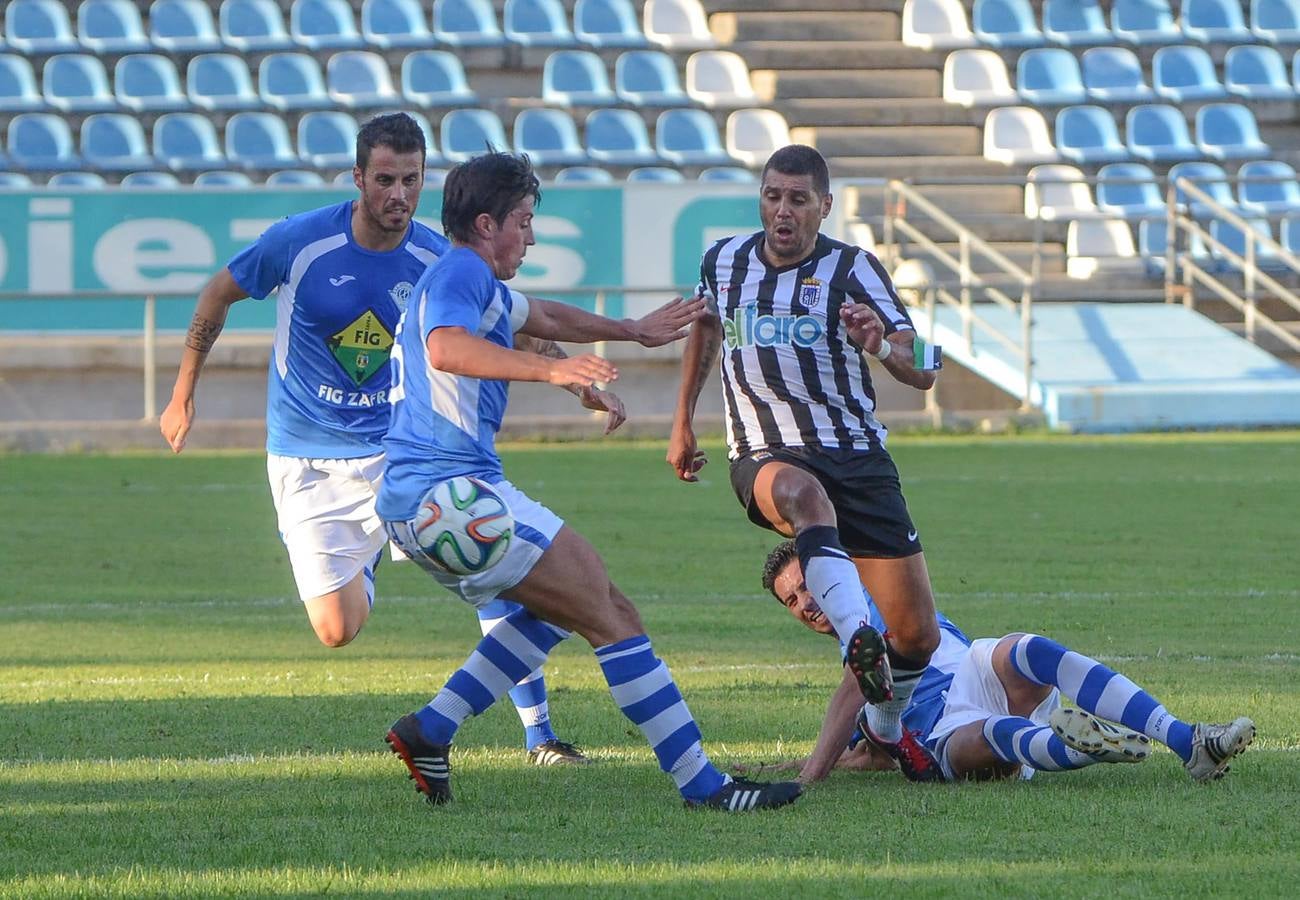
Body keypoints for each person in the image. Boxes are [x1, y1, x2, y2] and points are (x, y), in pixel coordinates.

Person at [158, 113, 690, 765]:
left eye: (411, 180)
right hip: (309, 457)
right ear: (358, 178)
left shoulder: (439, 257)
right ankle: (376, 566)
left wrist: (571, 380)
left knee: (505, 567)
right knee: (336, 629)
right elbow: (218, 294)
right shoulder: (299, 243)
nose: (399, 195)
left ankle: (540, 735)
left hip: (407, 452)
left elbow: (514, 322)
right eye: (385, 179)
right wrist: (184, 391)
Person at [376, 150, 802, 812]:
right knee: (611, 612)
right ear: (486, 224)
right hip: (449, 495)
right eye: (524, 220)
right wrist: (555, 373)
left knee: (558, 610)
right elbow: (445, 348)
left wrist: (631, 332)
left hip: (422, 500)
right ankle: (704, 785)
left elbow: (543, 317)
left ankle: (430, 729)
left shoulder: (466, 277)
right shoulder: (460, 272)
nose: (532, 235)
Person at [667, 143, 946, 769]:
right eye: (772, 196)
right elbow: (705, 327)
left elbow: (926, 365)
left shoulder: (855, 269)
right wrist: (681, 420)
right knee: (801, 496)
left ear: (824, 206)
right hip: (764, 452)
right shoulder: (724, 262)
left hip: (857, 457)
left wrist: (882, 346)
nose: (783, 211)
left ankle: (881, 725)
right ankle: (856, 639)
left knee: (919, 636)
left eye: (798, 200)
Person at [753, 541, 1256, 785]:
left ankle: (1187, 740)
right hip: (943, 735)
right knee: (997, 734)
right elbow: (873, 754)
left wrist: (807, 778)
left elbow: (853, 702)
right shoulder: (854, 656)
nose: (806, 603)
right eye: (792, 600)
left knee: (1026, 647)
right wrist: (800, 764)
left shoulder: (879, 596)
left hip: (976, 671)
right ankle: (1079, 747)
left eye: (808, 586)